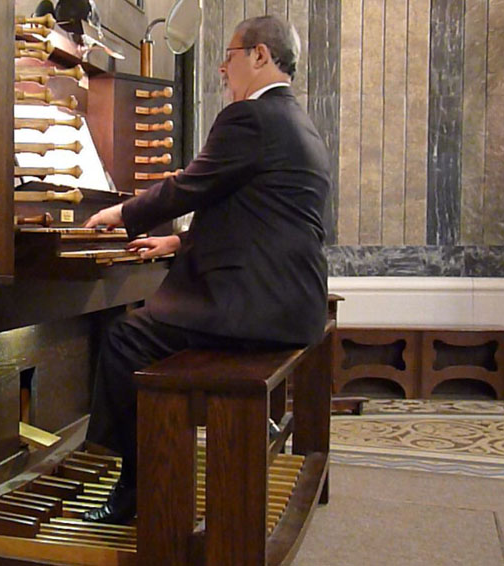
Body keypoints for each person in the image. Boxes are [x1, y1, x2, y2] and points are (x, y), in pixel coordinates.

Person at [81, 15, 330, 524]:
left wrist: (120, 212)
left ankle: (138, 485)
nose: (221, 68)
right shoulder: (297, 121)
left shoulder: (251, 117)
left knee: (125, 338)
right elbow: (255, 216)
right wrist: (178, 241)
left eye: (229, 55)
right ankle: (150, 460)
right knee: (140, 327)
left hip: (256, 308)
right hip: (291, 302)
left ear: (260, 55)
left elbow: (191, 186)